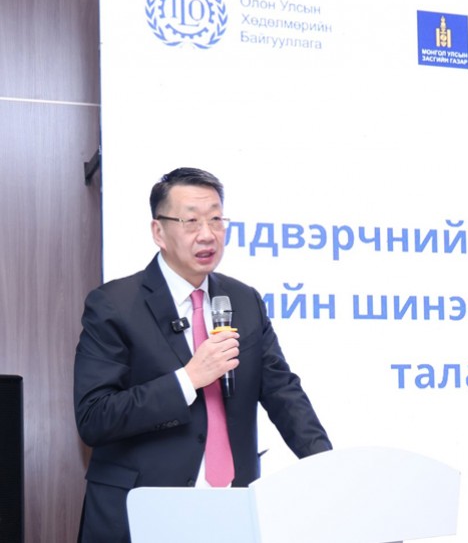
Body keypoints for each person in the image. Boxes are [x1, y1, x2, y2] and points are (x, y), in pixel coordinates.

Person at [73, 167, 332, 542]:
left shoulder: (244, 300)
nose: (207, 234)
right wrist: (188, 379)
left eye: (216, 219)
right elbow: (94, 417)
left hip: (230, 507)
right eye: (191, 221)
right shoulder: (114, 304)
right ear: (158, 232)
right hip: (142, 510)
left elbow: (282, 391)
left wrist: (326, 464)